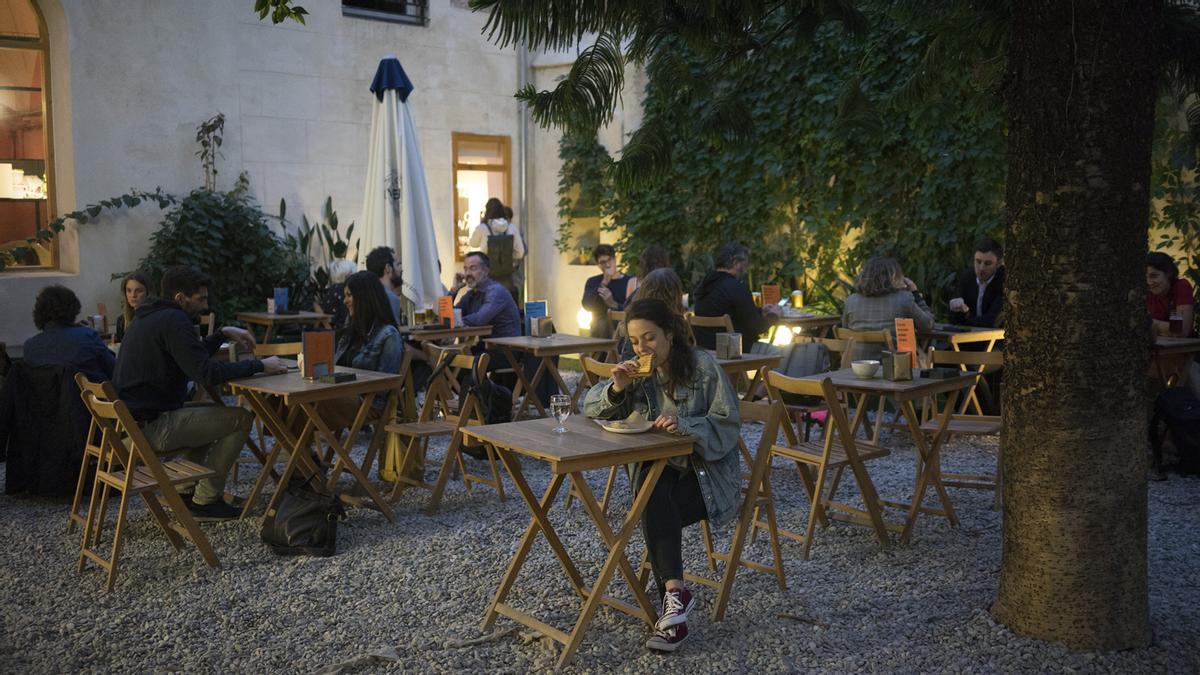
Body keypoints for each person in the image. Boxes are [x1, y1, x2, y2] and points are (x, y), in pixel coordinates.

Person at [583, 299, 742, 653]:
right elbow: (588, 407)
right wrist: (617, 388)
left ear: (669, 333)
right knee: (653, 493)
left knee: (653, 504)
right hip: (661, 475)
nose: (642, 348)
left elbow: (728, 427)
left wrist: (686, 427)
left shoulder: (703, 367)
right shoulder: (638, 372)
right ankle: (675, 597)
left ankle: (674, 603)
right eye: (635, 341)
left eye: (649, 338)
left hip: (709, 478)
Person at [112, 266, 288, 521]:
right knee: (240, 419)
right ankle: (206, 500)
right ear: (180, 298)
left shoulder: (149, 316)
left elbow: (190, 357)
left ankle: (184, 490)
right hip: (151, 429)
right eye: (201, 299)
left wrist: (221, 333)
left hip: (133, 426)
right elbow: (205, 374)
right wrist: (261, 365)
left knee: (214, 417)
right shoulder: (174, 321)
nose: (205, 306)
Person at [308, 271, 405, 432]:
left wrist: (345, 381)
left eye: (349, 295)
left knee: (306, 403)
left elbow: (385, 386)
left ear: (365, 297)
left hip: (368, 404)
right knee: (286, 401)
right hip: (342, 395)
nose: (345, 301)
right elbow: (335, 369)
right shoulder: (352, 332)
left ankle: (302, 453)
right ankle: (303, 453)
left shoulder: (389, 335)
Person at [692, 242, 782, 351]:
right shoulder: (735, 287)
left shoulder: (703, 286)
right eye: (745, 264)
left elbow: (731, 312)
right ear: (735, 262)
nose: (745, 269)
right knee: (780, 353)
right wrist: (774, 316)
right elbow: (757, 327)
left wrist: (760, 311)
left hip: (707, 353)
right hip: (734, 352)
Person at [843, 256, 935, 360]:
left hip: (855, 367)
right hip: (894, 369)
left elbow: (846, 328)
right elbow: (927, 325)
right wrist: (916, 294)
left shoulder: (851, 301)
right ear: (895, 277)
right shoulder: (904, 299)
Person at [23, 284, 115, 383]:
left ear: (38, 312)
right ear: (73, 309)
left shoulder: (29, 347)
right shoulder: (87, 336)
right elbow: (114, 369)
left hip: (47, 398)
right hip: (89, 396)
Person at [449, 251, 521, 339]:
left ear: (485, 271)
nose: (467, 274)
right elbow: (448, 314)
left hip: (504, 349)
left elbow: (479, 319)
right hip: (485, 347)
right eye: (465, 269)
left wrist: (453, 321)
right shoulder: (472, 293)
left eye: (473, 268)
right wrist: (454, 290)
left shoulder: (495, 291)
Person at [948, 238, 1006, 327]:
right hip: (967, 336)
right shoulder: (967, 277)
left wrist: (966, 314)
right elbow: (954, 319)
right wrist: (956, 307)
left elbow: (990, 322)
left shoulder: (1004, 282)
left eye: (988, 263)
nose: (981, 268)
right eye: (978, 262)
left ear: (998, 264)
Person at [581, 244, 630, 338]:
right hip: (599, 333)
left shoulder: (628, 281)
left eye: (609, 260)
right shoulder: (593, 282)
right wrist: (603, 284)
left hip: (623, 332)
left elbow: (631, 310)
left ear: (615, 259)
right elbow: (587, 305)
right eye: (603, 262)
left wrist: (613, 304)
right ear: (598, 264)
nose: (607, 265)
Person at [1146, 252, 1195, 336]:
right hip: (1161, 345)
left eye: (1154, 276)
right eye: (1145, 278)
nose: (1149, 282)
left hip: (1184, 347)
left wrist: (1149, 323)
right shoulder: (1147, 292)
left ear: (1168, 273)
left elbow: (1181, 330)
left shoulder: (1181, 286)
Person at [467, 198, 525, 262]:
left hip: (487, 268)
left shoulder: (482, 227)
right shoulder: (511, 227)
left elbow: (473, 244)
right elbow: (520, 252)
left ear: (487, 211)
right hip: (506, 268)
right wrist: (506, 255)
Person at [365, 246, 404, 324]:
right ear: (388, 268)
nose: (401, 269)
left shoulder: (366, 295)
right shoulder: (389, 298)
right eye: (398, 264)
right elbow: (392, 333)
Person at [316, 259, 358, 330]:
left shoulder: (333, 289)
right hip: (336, 332)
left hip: (325, 330)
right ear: (349, 274)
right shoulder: (343, 291)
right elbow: (344, 319)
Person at [114, 271, 150, 343]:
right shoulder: (122, 321)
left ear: (148, 293)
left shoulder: (156, 318)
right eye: (129, 291)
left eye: (139, 291)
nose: (133, 295)